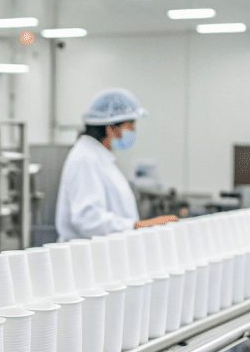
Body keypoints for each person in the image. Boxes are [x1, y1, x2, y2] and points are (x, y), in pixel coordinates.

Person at [55, 88, 176, 240]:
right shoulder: (85, 159)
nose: (133, 130)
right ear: (111, 128)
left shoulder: (99, 158)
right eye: (130, 125)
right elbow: (88, 220)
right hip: (89, 258)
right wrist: (137, 226)